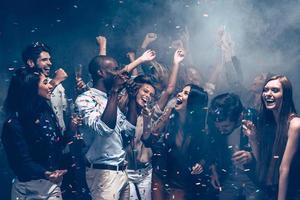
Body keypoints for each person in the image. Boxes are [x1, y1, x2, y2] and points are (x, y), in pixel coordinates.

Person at [75, 55, 138, 200]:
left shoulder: (108, 99)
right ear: (101, 73)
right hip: (102, 174)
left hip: (121, 171)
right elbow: (104, 128)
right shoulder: (85, 99)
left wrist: (133, 98)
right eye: (115, 69)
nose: (120, 73)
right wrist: (115, 90)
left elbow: (129, 131)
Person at [2, 68, 70, 199]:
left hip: (52, 186)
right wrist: (46, 173)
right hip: (28, 189)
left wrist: (71, 130)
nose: (50, 86)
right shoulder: (13, 124)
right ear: (31, 89)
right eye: (45, 83)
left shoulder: (45, 112)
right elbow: (22, 161)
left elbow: (56, 143)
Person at [142, 84, 210, 200]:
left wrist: (200, 164)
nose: (179, 94)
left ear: (194, 101)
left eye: (186, 93)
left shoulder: (200, 128)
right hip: (161, 173)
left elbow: (206, 154)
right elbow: (148, 141)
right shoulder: (169, 114)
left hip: (182, 179)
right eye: (182, 91)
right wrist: (147, 122)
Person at [243, 75, 300, 200]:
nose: (268, 94)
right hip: (270, 188)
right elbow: (262, 162)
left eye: (275, 90)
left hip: (291, 191)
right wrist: (252, 138)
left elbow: (285, 169)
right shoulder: (268, 123)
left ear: (286, 95)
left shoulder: (295, 124)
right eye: (266, 90)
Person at [207, 93, 261, 200]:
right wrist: (213, 170)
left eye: (226, 126)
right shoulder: (214, 120)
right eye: (218, 127)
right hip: (229, 175)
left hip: (254, 177)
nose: (221, 130)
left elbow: (271, 152)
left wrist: (251, 156)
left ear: (239, 117)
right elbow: (211, 145)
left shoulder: (254, 119)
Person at [22, 42, 68, 131]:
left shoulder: (57, 86)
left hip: (58, 140)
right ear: (31, 62)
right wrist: (56, 81)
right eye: (44, 60)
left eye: (49, 59)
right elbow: (32, 103)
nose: (50, 63)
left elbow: (64, 113)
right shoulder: (22, 83)